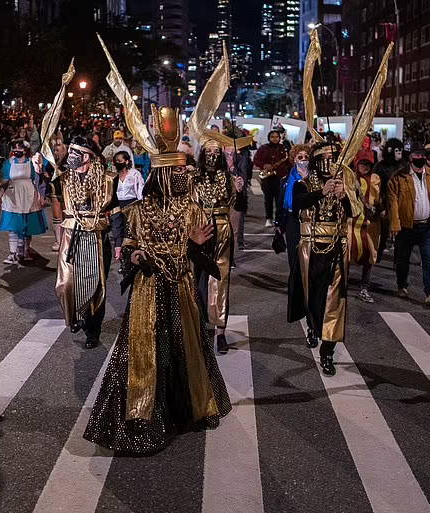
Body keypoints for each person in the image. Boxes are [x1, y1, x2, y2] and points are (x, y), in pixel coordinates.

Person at [83, 107, 231, 454]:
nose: (185, 175)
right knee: (146, 352)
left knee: (183, 348)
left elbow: (208, 246)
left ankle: (186, 408)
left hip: (179, 288)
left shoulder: (192, 209)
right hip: (148, 291)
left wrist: (197, 245)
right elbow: (131, 244)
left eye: (184, 169)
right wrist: (134, 255)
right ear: (163, 175)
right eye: (178, 171)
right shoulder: (138, 208)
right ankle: (143, 415)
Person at [292, 141, 357, 376]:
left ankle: (327, 351)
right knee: (313, 297)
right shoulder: (304, 183)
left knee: (334, 300)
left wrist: (344, 197)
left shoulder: (344, 185)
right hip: (311, 246)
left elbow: (356, 212)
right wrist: (321, 191)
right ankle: (311, 324)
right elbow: (296, 204)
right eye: (326, 158)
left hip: (337, 248)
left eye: (334, 158)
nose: (331, 163)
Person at [55, 136, 117, 349]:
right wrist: (38, 168)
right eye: (70, 151)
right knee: (65, 283)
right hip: (71, 235)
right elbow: (47, 183)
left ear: (88, 156)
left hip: (96, 236)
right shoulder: (64, 178)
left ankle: (92, 329)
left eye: (76, 153)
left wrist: (119, 241)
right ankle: (74, 317)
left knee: (95, 285)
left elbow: (116, 211)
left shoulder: (107, 179)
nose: (71, 156)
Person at [193, 134, 243, 354]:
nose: (212, 157)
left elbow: (239, 205)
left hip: (222, 229)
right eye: (209, 153)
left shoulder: (229, 178)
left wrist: (240, 190)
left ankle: (220, 332)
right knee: (198, 281)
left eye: (216, 153)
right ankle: (200, 326)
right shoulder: (193, 178)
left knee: (221, 280)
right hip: (199, 230)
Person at [388, 143, 430, 307]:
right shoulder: (398, 177)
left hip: (428, 227)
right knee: (403, 259)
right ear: (409, 157)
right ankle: (402, 285)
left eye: (421, 155)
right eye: (415, 155)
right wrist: (395, 225)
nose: (419, 158)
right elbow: (393, 203)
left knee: (428, 259)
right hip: (406, 227)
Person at [0, 140, 47, 264]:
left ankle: (26, 251)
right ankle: (13, 253)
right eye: (15, 148)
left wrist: (41, 196)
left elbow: (38, 180)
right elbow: (5, 181)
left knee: (26, 224)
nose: (16, 150)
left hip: (29, 196)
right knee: (13, 225)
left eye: (19, 148)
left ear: (25, 150)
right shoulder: (9, 163)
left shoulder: (32, 163)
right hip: (13, 196)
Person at [278, 144, 311, 337]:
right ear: (294, 158)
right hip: (292, 220)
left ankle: (307, 289)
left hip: (308, 221)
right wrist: (278, 225)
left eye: (306, 156)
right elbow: (281, 203)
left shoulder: (314, 179)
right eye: (300, 156)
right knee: (293, 258)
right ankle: (296, 288)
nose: (303, 159)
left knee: (307, 258)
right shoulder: (286, 179)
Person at [348, 158, 381, 303]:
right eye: (362, 164)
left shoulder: (375, 179)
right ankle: (340, 285)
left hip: (370, 222)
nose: (364, 167)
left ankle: (364, 288)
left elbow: (380, 198)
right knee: (347, 253)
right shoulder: (350, 179)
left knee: (369, 254)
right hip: (352, 221)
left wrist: (379, 209)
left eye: (367, 165)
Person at [372, 138, 404, 258]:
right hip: (386, 204)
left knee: (400, 234)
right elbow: (375, 189)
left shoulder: (403, 165)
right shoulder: (380, 167)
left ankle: (398, 259)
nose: (399, 153)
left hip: (400, 204)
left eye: (401, 150)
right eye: (397, 151)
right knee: (384, 232)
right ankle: (378, 253)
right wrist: (380, 206)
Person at [109, 151, 144, 260]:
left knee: (130, 232)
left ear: (126, 161)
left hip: (131, 205)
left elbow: (140, 191)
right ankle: (119, 255)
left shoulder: (134, 174)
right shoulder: (112, 176)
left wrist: (140, 206)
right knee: (117, 230)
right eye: (116, 161)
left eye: (120, 161)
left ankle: (131, 257)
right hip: (117, 204)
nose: (117, 163)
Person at [253, 130, 290, 227]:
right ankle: (268, 218)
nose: (275, 138)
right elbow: (256, 160)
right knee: (268, 199)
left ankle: (279, 219)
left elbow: (288, 161)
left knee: (280, 199)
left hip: (280, 177)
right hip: (267, 178)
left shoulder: (284, 148)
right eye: (272, 137)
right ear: (269, 138)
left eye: (277, 136)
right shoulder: (263, 148)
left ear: (279, 138)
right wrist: (264, 165)